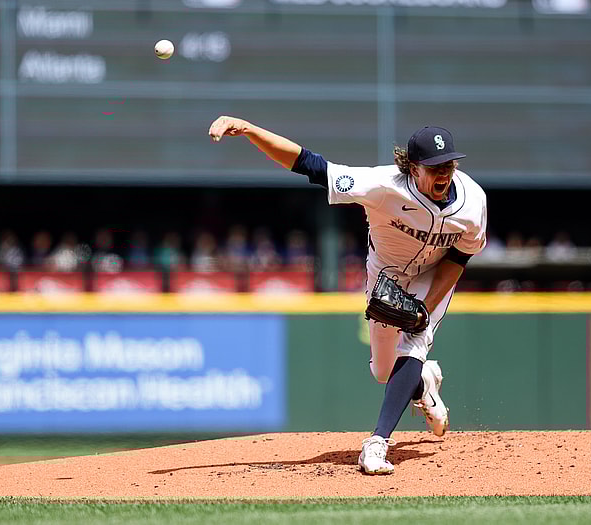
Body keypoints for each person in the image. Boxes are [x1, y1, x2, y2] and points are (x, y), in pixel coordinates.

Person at [209, 116, 488, 475]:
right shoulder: (383, 185)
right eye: (434, 167)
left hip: (433, 278)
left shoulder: (472, 201)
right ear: (412, 167)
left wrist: (425, 309)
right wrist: (249, 130)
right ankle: (423, 386)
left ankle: (377, 443)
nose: (443, 173)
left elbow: (460, 256)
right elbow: (308, 164)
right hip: (385, 277)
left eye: (448, 164)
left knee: (415, 343)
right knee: (384, 371)